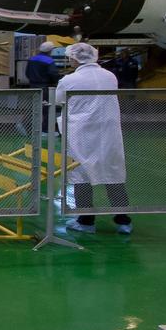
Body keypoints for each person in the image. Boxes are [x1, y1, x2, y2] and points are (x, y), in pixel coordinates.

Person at [56, 43, 133, 235]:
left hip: (81, 135)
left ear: (74, 58)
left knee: (81, 176)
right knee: (113, 174)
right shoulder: (110, 76)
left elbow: (58, 100)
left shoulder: (69, 80)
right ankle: (123, 220)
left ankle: (86, 221)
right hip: (108, 133)